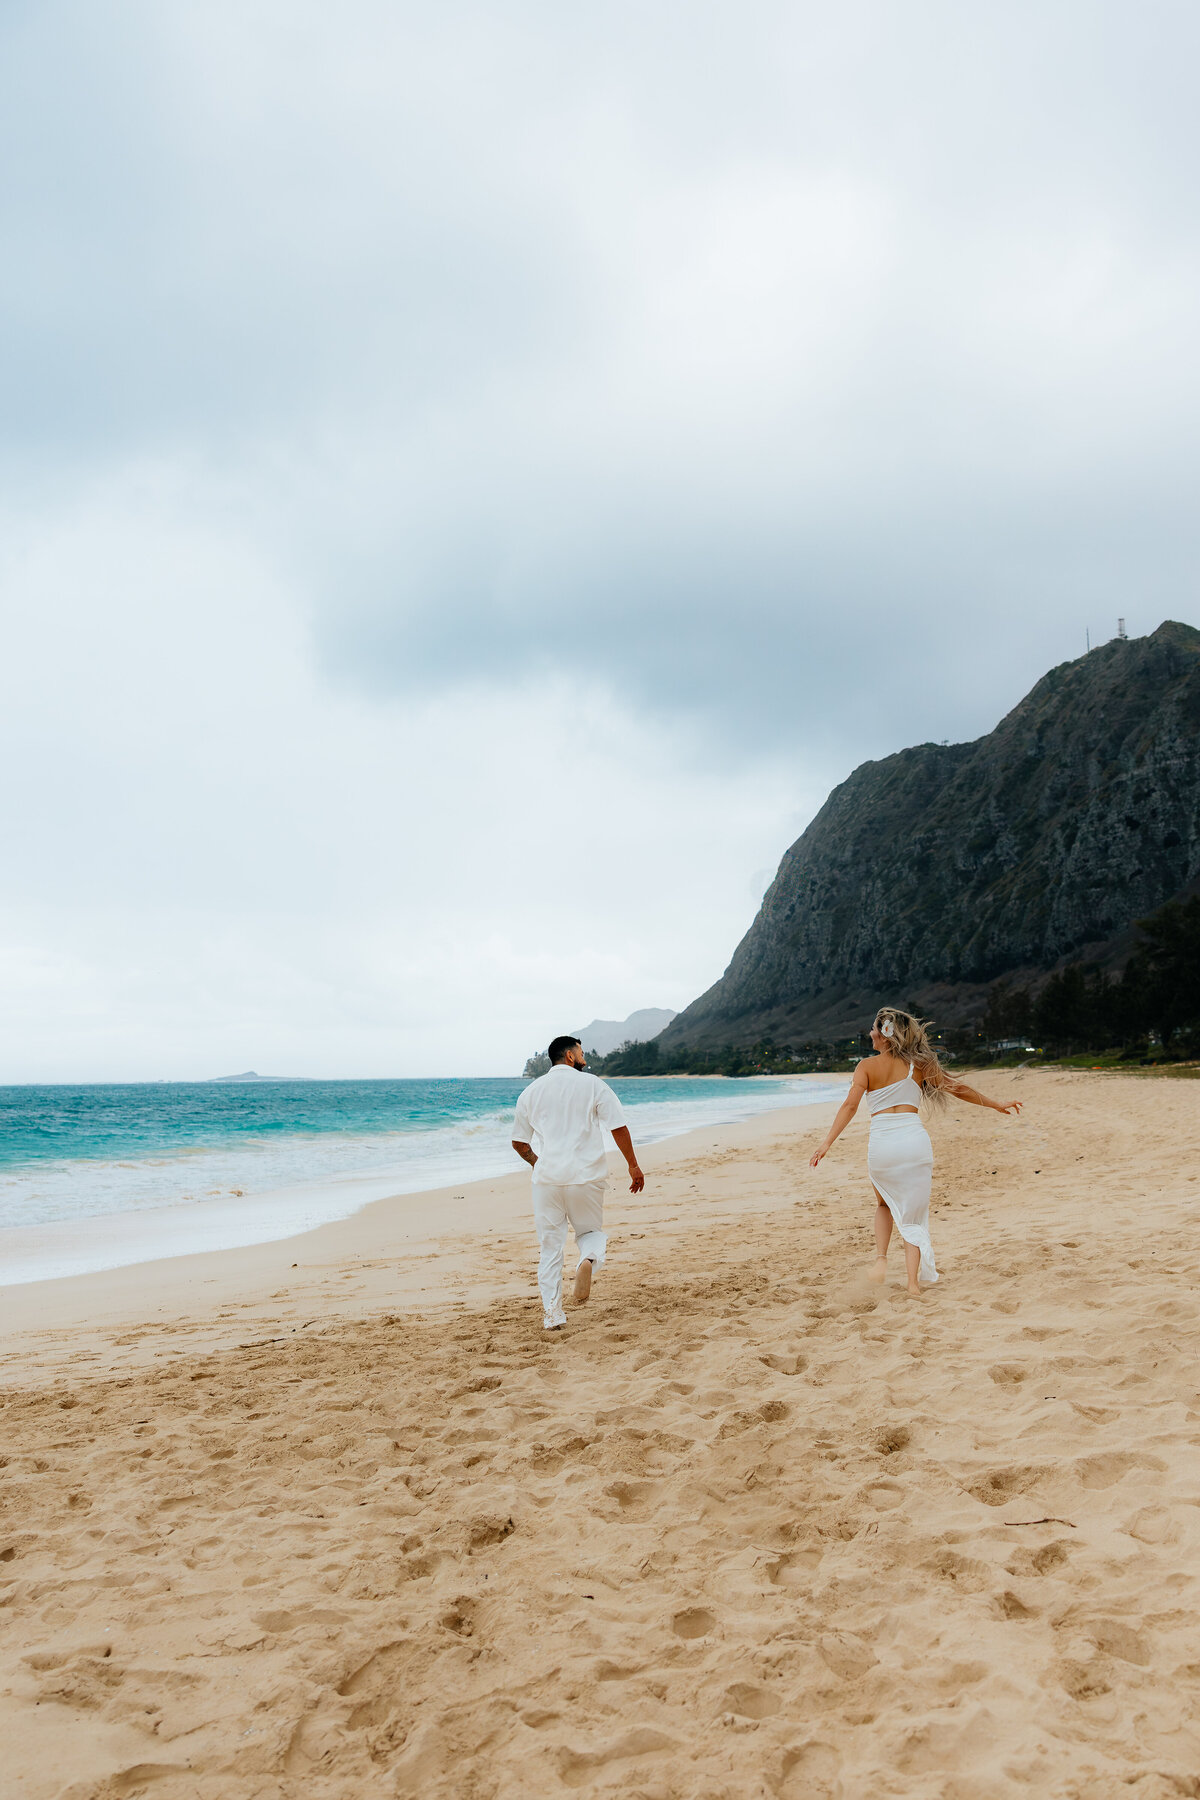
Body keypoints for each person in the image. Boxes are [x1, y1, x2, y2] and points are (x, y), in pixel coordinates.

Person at [808, 1007, 1022, 1295]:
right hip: (914, 1142)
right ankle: (912, 1284)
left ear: (885, 1034)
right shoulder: (920, 1065)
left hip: (883, 1145)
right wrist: (996, 1104)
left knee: (884, 1205)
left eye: (873, 1029)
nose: (870, 1033)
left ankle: (881, 1260)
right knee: (914, 1214)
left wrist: (826, 1143)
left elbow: (849, 1106)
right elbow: (956, 1088)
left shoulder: (866, 1067)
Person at [512, 1035, 645, 1330]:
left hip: (547, 1180)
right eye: (582, 1052)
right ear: (570, 1056)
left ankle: (552, 1315)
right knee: (590, 1232)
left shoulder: (530, 1092)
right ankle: (588, 1259)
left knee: (550, 1247)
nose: (585, 1057)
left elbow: (519, 1143)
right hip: (585, 1177)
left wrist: (539, 1162)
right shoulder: (593, 1084)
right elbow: (618, 1126)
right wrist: (633, 1165)